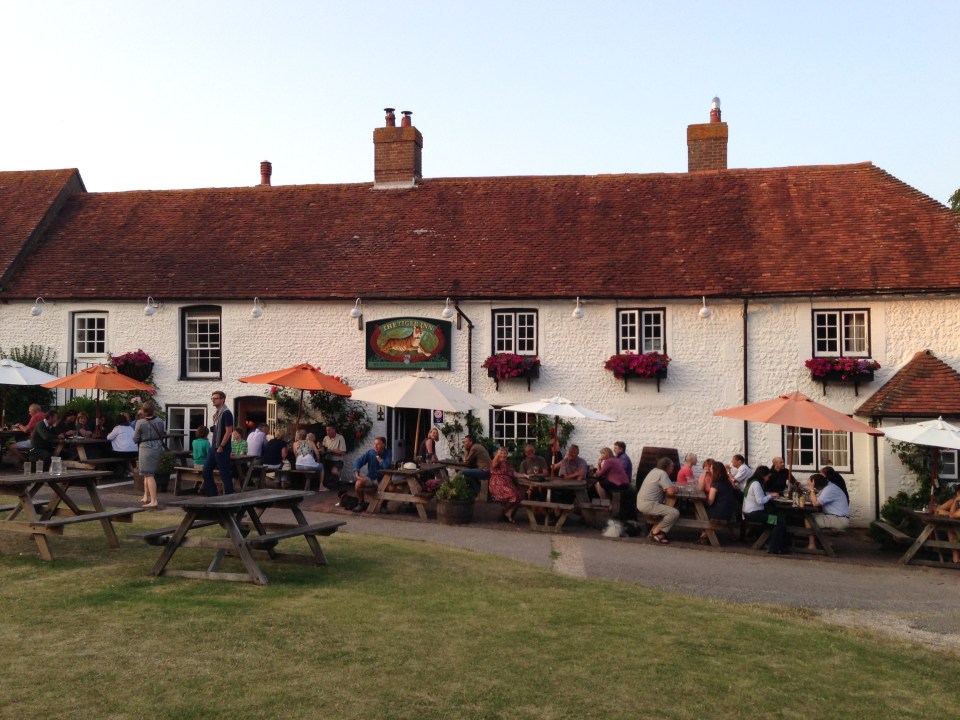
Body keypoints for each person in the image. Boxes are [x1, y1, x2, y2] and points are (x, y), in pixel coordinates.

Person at [636, 457, 679, 544]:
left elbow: (669, 486)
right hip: (648, 504)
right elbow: (671, 491)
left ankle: (660, 534)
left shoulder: (654, 471)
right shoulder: (662, 474)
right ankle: (655, 533)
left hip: (642, 503)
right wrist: (676, 489)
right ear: (667, 467)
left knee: (670, 511)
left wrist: (670, 488)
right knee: (674, 513)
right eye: (672, 467)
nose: (672, 469)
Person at [805, 472, 850, 550]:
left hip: (839, 519)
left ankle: (812, 545)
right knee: (812, 516)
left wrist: (811, 489)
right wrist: (812, 491)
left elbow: (815, 503)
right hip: (835, 517)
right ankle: (822, 542)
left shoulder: (829, 490)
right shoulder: (828, 487)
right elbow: (813, 499)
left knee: (809, 519)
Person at [133, 401, 165, 508]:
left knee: (149, 474)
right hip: (157, 447)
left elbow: (135, 438)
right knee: (147, 473)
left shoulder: (140, 423)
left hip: (145, 448)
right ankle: (146, 496)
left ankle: (154, 500)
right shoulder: (160, 421)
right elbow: (162, 434)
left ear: (143, 411)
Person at [202, 390, 234, 496]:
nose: (213, 400)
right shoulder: (217, 414)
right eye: (212, 398)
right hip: (214, 447)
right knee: (206, 471)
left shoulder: (226, 413)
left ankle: (230, 498)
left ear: (222, 400)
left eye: (215, 398)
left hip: (221, 448)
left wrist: (221, 446)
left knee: (225, 475)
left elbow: (229, 431)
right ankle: (213, 495)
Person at [353, 436, 392, 514]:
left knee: (391, 488)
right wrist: (357, 475)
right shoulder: (370, 452)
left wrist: (380, 460)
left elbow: (386, 465)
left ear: (383, 445)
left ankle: (383, 505)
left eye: (378, 444)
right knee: (358, 484)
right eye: (374, 444)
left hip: (382, 479)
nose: (375, 446)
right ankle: (361, 503)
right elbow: (358, 461)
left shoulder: (388, 453)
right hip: (371, 478)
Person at [489, 447, 524, 522]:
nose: (503, 455)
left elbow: (514, 474)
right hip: (497, 485)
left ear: (507, 454)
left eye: (505, 453)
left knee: (521, 495)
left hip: (507, 484)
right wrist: (498, 456)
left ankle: (507, 512)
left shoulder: (508, 464)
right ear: (498, 454)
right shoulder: (495, 461)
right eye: (501, 453)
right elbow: (494, 465)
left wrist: (525, 475)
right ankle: (506, 513)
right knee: (513, 495)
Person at [935, 485, 960, 564]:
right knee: (951, 531)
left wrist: (950, 514)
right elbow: (937, 511)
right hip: (957, 527)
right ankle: (956, 559)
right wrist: (949, 513)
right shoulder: (953, 501)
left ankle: (956, 559)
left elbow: (953, 515)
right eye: (958, 492)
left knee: (952, 531)